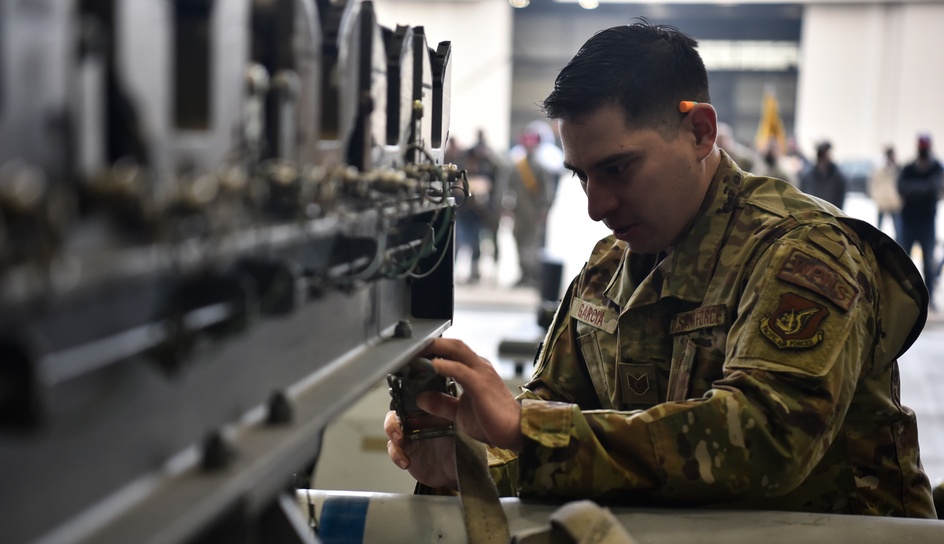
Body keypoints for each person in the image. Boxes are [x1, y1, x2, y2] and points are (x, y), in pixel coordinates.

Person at [385, 21, 936, 518]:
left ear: (700, 132)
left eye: (618, 168)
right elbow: (551, 411)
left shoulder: (803, 250)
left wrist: (525, 433)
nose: (596, 207)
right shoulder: (608, 271)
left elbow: (768, 439)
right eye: (581, 176)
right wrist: (464, 454)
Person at [504, 121, 562, 287]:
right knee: (519, 241)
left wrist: (545, 209)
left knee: (532, 245)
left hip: (535, 212)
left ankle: (532, 276)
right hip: (519, 212)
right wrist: (507, 208)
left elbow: (547, 192)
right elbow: (509, 190)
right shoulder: (516, 167)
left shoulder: (541, 167)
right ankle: (524, 275)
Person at [897, 133, 944, 305]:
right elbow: (901, 188)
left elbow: (936, 187)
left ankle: (929, 297)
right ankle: (902, 295)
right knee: (903, 259)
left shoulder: (937, 167)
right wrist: (924, 189)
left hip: (927, 221)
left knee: (928, 260)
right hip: (908, 220)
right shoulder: (909, 168)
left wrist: (915, 190)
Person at [453, 130, 505, 283]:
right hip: (464, 209)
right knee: (460, 240)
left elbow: (496, 183)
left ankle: (475, 272)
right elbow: (456, 187)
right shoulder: (463, 164)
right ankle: (456, 269)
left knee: (477, 242)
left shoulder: (490, 165)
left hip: (480, 210)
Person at [798, 141, 846, 209]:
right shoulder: (808, 177)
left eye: (826, 154)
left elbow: (840, 202)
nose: (824, 158)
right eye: (822, 155)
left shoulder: (838, 178)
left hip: (831, 215)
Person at [868, 146, 902, 235]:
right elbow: (873, 185)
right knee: (878, 229)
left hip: (894, 203)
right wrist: (877, 197)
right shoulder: (879, 171)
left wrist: (898, 199)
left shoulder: (898, 170)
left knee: (898, 230)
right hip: (882, 202)